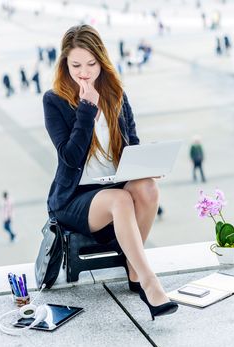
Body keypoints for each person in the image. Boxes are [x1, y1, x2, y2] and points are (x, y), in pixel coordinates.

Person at [43, 25, 178, 320]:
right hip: (74, 198)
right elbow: (69, 157)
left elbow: (132, 144)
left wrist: (147, 167)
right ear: (65, 64)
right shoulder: (54, 100)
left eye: (91, 64)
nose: (84, 72)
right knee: (120, 199)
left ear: (102, 62)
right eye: (76, 65)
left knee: (147, 188)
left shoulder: (116, 94)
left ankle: (133, 269)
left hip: (113, 187)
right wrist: (87, 109)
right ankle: (149, 282)